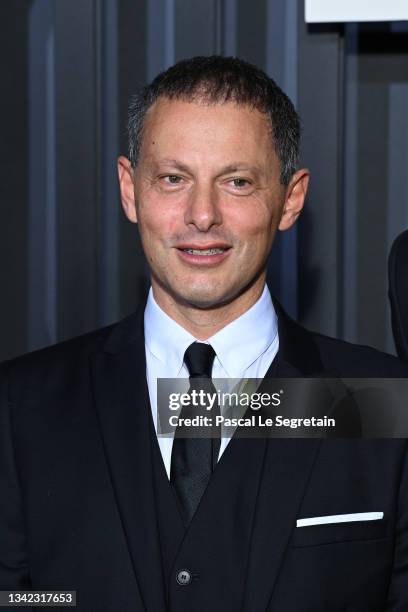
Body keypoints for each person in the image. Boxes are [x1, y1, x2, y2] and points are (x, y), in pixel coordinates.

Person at [1, 55, 407, 611]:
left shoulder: (380, 402)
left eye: (237, 182)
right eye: (173, 179)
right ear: (129, 189)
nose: (202, 215)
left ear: (290, 199)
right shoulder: (22, 405)